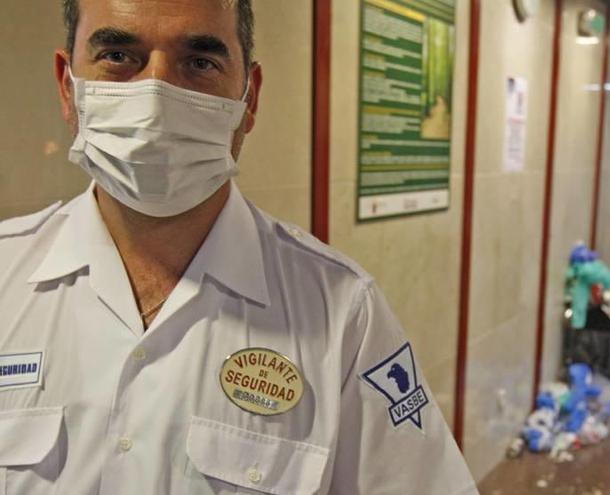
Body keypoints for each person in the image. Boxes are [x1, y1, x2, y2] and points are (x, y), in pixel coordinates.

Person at [0, 1, 477, 493]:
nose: (156, 97)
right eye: (120, 55)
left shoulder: (343, 314)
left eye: (200, 62)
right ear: (67, 84)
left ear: (249, 100)